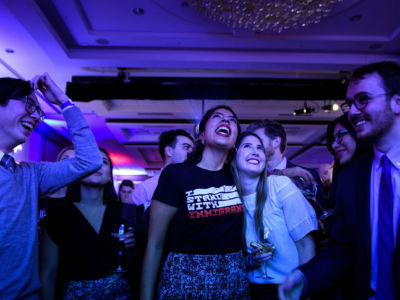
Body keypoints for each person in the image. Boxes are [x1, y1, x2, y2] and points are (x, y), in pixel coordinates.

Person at [279, 61, 400, 300]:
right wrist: (303, 279)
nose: (353, 112)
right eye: (350, 104)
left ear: (397, 102)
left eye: (363, 99)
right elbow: (342, 252)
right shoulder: (352, 178)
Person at [0, 73, 102, 299]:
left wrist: (64, 102)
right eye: (29, 104)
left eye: (39, 111)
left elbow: (90, 161)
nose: (36, 116)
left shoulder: (29, 174)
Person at [140, 106, 248, 299]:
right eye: (217, 116)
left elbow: (267, 177)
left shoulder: (239, 177)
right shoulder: (176, 174)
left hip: (233, 282)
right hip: (183, 281)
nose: (226, 120)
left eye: (232, 120)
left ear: (234, 143)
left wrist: (292, 171)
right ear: (201, 135)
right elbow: (155, 243)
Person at [40, 148, 136, 299]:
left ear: (110, 176)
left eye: (104, 162)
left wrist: (131, 245)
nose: (97, 165)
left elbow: (133, 264)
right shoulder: (58, 216)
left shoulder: (123, 212)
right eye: (91, 161)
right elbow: (48, 274)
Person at [231, 132, 317, 299]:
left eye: (260, 148)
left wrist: (302, 293)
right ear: (233, 156)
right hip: (249, 291)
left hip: (288, 288)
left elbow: (306, 246)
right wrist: (251, 261)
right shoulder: (229, 198)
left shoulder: (279, 186)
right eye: (247, 146)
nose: (255, 152)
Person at [247, 120, 325, 211]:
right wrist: (281, 173)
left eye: (259, 141)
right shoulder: (253, 177)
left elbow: (319, 210)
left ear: (276, 142)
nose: (255, 147)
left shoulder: (305, 174)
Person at [130, 129, 194, 209]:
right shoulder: (145, 189)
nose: (191, 152)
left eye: (192, 149)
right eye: (186, 147)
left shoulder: (194, 186)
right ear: (169, 151)